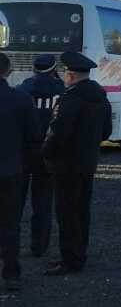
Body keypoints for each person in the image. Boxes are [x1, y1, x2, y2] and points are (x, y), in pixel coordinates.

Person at [42, 51, 112, 276]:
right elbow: (107, 131)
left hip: (66, 165)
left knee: (66, 212)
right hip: (88, 162)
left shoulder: (71, 98)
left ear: (71, 75)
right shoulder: (100, 96)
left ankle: (70, 260)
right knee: (82, 210)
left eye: (65, 73)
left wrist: (46, 152)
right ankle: (79, 253)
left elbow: (58, 131)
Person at [16, 54, 63, 257]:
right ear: (54, 69)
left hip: (23, 152)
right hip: (48, 152)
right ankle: (39, 247)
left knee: (14, 204)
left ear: (34, 69)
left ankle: (9, 245)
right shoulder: (61, 90)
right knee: (43, 203)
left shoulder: (23, 89)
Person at [0, 52, 36, 291]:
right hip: (10, 171)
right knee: (10, 224)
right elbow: (33, 137)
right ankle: (11, 274)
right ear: (8, 71)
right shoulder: (21, 99)